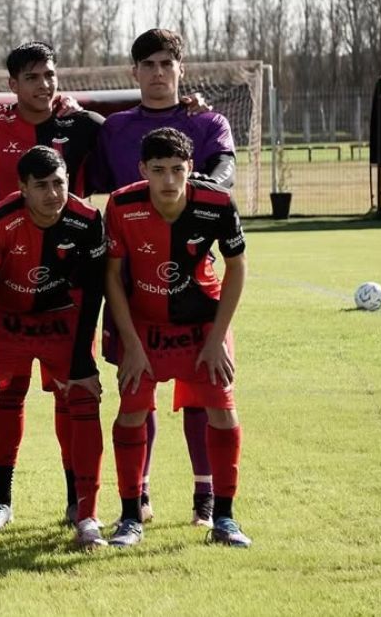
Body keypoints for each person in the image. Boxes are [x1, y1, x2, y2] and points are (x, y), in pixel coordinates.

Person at [94, 28, 238, 529]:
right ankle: (140, 494)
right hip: (129, 280)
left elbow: (222, 175)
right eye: (148, 65)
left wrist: (185, 201)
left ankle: (206, 496)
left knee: (204, 389)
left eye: (166, 64)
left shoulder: (206, 121)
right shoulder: (113, 128)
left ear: (181, 69)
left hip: (189, 280)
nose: (158, 74)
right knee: (137, 386)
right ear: (134, 72)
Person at [103, 127, 250, 549]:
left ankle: (224, 517)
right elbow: (112, 276)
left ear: (191, 169)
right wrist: (130, 344)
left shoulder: (217, 203)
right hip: (144, 327)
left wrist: (217, 338)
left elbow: (237, 268)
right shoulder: (122, 204)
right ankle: (130, 517)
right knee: (131, 412)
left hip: (203, 324)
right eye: (159, 170)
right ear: (142, 170)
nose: (169, 180)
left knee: (222, 411)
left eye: (178, 170)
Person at [0, 145, 108, 553]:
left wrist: (82, 359)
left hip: (61, 318)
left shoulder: (88, 219)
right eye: (40, 185)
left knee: (83, 396)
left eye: (58, 183)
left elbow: (94, 292)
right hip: (3, 317)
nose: (52, 193)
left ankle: (87, 514)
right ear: (22, 188)